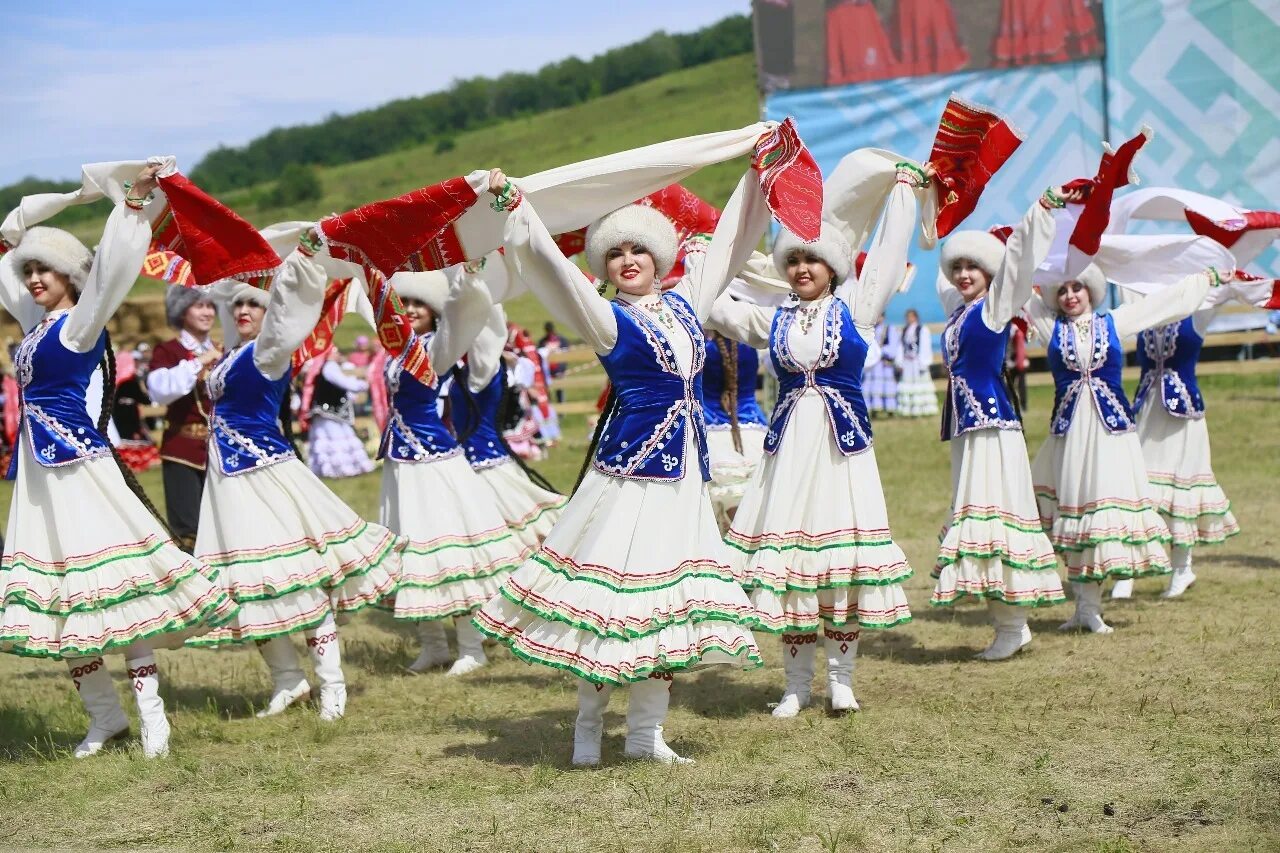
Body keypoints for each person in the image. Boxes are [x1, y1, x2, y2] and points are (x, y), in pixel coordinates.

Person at [474, 165, 768, 766]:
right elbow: (557, 274)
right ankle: (587, 730)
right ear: (604, 266)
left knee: (664, 608)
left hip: (683, 480)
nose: (628, 260)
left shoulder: (689, 302)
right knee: (611, 606)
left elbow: (733, 240)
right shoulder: (609, 318)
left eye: (639, 249)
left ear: (661, 257)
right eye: (615, 252)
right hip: (628, 477)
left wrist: (760, 173)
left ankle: (643, 736)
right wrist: (519, 211)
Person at [0, 162, 239, 758]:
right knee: (62, 597)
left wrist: (128, 207)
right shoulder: (32, 329)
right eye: (28, 271)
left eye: (43, 270)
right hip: (37, 479)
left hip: (81, 470)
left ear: (68, 277)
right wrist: (71, 193)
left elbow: (108, 270)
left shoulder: (80, 327)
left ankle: (153, 719)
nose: (32, 279)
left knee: (116, 589)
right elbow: (8, 233)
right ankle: (105, 717)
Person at [711, 165, 921, 718]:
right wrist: (692, 259)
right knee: (792, 568)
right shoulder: (773, 319)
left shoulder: (856, 309)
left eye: (813, 259)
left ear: (832, 267)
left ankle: (842, 679)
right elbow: (713, 305)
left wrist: (901, 194)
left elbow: (884, 256)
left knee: (842, 562)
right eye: (794, 260)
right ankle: (796, 685)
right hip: (787, 454)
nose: (803, 268)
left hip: (841, 450)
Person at [190, 234, 403, 721]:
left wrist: (299, 262)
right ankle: (288, 681)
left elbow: (287, 310)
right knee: (245, 584)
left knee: (299, 582)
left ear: (270, 316)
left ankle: (332, 686)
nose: (243, 309)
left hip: (267, 474)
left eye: (253, 303)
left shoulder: (269, 352)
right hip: (226, 482)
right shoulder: (227, 357)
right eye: (238, 302)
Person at [1029, 262, 1226, 632]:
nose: (1071, 296)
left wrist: (1203, 280)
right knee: (1075, 514)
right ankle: (1084, 608)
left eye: (1078, 288)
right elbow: (1019, 286)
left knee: (1103, 514)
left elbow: (1164, 304)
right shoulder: (1049, 327)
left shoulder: (1114, 323)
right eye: (1064, 290)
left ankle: (1094, 605)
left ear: (1090, 291)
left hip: (1111, 436)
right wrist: (1006, 249)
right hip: (1070, 436)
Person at [928, 189, 1070, 660]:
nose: (963, 275)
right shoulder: (959, 311)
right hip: (968, 433)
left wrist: (1041, 210)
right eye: (958, 269)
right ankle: (1011, 625)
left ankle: (1012, 625)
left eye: (973, 268)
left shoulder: (993, 307)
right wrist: (934, 207)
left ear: (990, 273)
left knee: (995, 521)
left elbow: (1019, 264)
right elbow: (941, 266)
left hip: (993, 430)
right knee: (977, 522)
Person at [376, 266, 526, 676]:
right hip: (401, 460)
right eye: (403, 303)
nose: (408, 310)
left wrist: (465, 273)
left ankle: (471, 647)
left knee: (447, 548)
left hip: (433, 460)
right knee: (412, 551)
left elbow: (463, 316)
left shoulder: (435, 348)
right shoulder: (397, 351)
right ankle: (433, 645)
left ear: (433, 311)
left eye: (417, 304)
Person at [1123, 276, 1273, 598]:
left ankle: (1182, 567)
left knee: (1181, 488)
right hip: (1146, 411)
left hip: (1183, 415)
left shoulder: (1198, 313)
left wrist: (1223, 272)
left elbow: (1226, 287)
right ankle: (1129, 570)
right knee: (1138, 488)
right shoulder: (1144, 312)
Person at [448, 302, 567, 559]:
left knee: (514, 526)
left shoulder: (495, 366)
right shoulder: (455, 366)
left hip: (488, 461)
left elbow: (518, 373)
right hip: (461, 462)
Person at [147, 287, 222, 551]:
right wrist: (198, 362)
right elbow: (159, 391)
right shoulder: (168, 350)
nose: (207, 312)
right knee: (188, 531)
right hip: (182, 450)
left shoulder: (223, 351)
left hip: (220, 451)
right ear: (181, 310)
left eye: (210, 306)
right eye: (199, 306)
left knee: (223, 524)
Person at [700, 327, 769, 530]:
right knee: (749, 497)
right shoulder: (750, 348)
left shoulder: (702, 348)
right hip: (752, 429)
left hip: (713, 430)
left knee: (724, 496)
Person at [301, 347, 375, 479]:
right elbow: (343, 382)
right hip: (330, 412)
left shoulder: (323, 366)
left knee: (328, 440)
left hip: (329, 411)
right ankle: (339, 469)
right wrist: (365, 384)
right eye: (335, 352)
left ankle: (329, 469)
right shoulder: (329, 366)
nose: (338, 355)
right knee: (335, 439)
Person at [895, 308, 938, 417]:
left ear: (916, 317)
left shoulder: (922, 329)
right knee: (908, 385)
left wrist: (923, 362)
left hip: (918, 362)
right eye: (907, 317)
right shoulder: (904, 330)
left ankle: (923, 410)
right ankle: (909, 410)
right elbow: (901, 347)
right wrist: (899, 362)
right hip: (908, 362)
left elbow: (925, 346)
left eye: (911, 316)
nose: (909, 319)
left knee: (920, 385)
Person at [863, 319, 901, 415]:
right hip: (873, 364)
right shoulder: (870, 330)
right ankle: (873, 409)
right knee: (871, 386)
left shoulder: (889, 329)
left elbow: (893, 347)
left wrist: (881, 351)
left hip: (884, 364)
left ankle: (890, 410)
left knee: (887, 387)